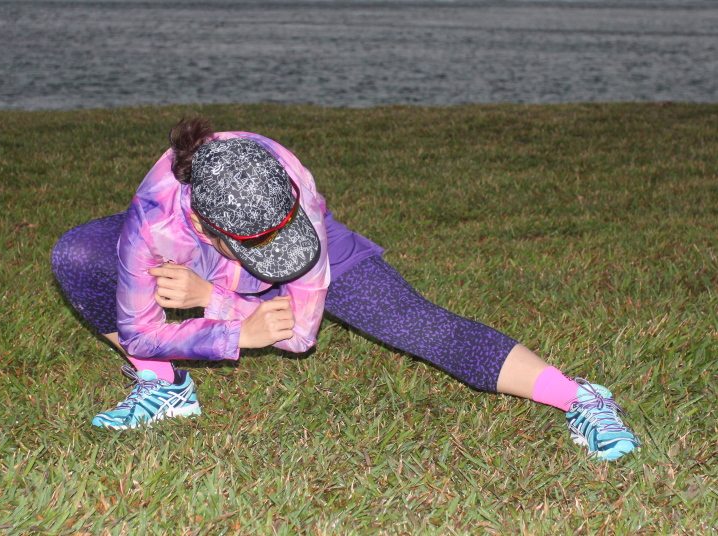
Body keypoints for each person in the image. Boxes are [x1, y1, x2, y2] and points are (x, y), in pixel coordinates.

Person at [51, 118, 640, 461]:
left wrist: (219, 304)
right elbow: (139, 331)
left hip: (288, 247)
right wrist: (230, 320)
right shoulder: (155, 222)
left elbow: (298, 334)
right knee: (77, 254)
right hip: (200, 256)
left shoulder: (285, 179)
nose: (270, 262)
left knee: (419, 326)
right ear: (205, 228)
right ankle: (165, 388)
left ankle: (582, 398)